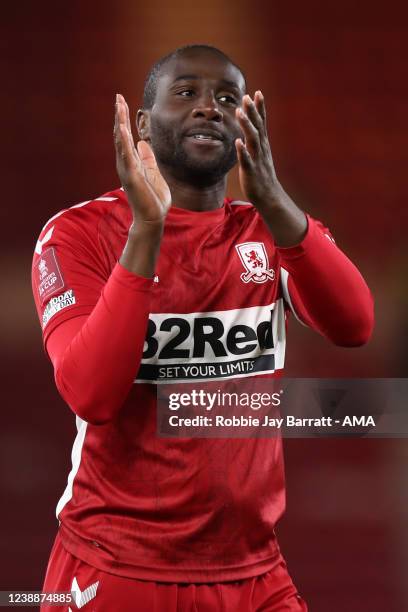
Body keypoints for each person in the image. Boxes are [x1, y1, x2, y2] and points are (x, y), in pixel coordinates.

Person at [31, 44, 374, 611]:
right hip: (115, 569)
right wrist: (148, 227)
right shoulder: (78, 233)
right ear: (142, 123)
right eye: (186, 93)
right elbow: (90, 392)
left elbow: (355, 324)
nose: (209, 108)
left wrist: (274, 200)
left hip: (256, 574)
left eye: (226, 98)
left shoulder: (268, 231)